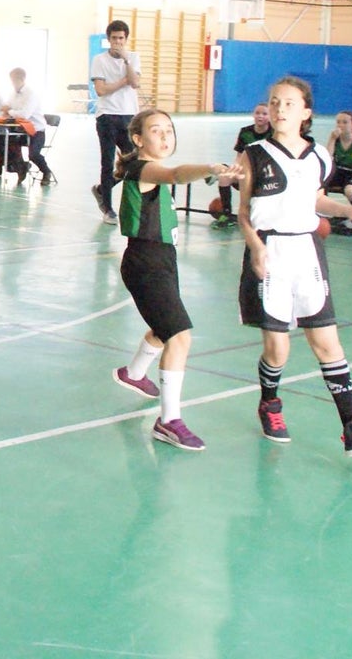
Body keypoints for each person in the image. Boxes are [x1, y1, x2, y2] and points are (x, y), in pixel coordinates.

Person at [235, 76, 352, 457]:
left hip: (308, 252)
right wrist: (255, 245)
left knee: (327, 342)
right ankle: (270, 403)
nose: (279, 109)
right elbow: (242, 213)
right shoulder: (253, 153)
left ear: (305, 112)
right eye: (274, 102)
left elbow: (317, 201)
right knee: (278, 351)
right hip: (270, 250)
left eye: (289, 103)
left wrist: (349, 210)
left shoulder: (320, 157)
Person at [110, 109, 240, 451]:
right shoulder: (144, 169)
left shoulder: (149, 170)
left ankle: (134, 373)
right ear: (139, 140)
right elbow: (178, 174)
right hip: (145, 261)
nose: (166, 136)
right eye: (157, 130)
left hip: (162, 259)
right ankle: (169, 421)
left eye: (169, 129)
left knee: (164, 324)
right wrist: (211, 168)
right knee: (179, 336)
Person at [90, 19, 141, 225]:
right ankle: (108, 209)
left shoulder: (134, 58)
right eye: (114, 38)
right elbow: (101, 90)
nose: (117, 42)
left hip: (129, 115)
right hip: (107, 116)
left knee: (133, 161)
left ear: (126, 39)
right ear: (108, 39)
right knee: (107, 160)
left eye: (121, 38)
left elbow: (135, 83)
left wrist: (126, 62)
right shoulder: (99, 60)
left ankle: (103, 189)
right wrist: (122, 82)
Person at [0, 67, 53, 187]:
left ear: (22, 79)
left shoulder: (31, 95)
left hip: (36, 131)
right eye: (12, 80)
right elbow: (5, 110)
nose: (13, 83)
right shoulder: (13, 94)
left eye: (15, 80)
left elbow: (24, 115)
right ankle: (19, 165)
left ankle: (46, 172)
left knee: (33, 154)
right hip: (19, 130)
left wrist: (9, 110)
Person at [212, 102, 271, 229]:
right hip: (246, 171)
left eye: (264, 114)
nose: (260, 116)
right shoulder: (245, 132)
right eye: (257, 113)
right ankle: (226, 214)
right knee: (224, 177)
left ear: (270, 116)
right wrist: (235, 170)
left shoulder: (273, 134)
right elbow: (239, 156)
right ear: (253, 115)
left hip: (264, 174)